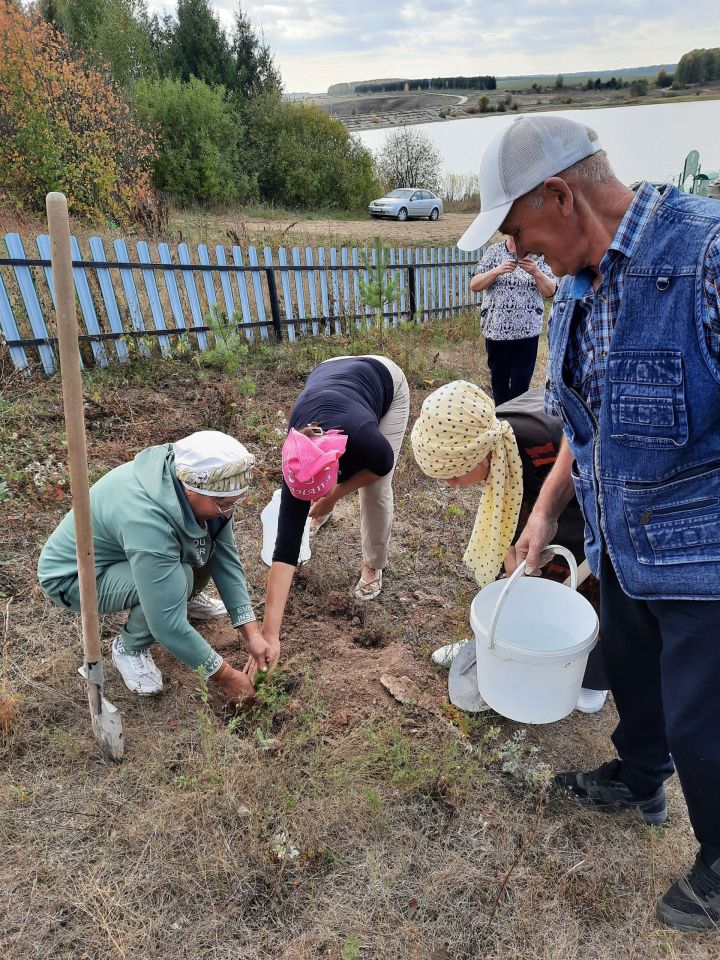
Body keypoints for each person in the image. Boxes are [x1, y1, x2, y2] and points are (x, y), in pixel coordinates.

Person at [457, 113, 720, 932]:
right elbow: (582, 423)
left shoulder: (705, 258)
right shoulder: (573, 291)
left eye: (519, 230)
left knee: (704, 723)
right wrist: (543, 515)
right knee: (633, 684)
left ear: (561, 195)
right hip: (620, 548)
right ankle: (639, 778)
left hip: (703, 563)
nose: (519, 252)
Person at [410, 379, 607, 712]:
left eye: (454, 476)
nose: (451, 486)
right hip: (542, 496)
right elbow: (508, 506)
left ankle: (592, 675)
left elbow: (593, 479)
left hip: (592, 499)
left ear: (480, 457)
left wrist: (556, 524)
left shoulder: (542, 442)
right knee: (522, 567)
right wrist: (510, 545)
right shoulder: (492, 440)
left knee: (588, 583)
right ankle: (499, 645)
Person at [38, 431, 272, 706]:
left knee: (203, 545)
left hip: (129, 555)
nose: (228, 511)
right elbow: (167, 625)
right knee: (177, 580)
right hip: (76, 578)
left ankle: (182, 596)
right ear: (191, 490)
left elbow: (225, 556)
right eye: (223, 504)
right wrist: (226, 676)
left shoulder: (189, 477)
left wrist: (251, 633)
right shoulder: (147, 521)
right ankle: (129, 647)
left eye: (234, 503)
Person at [261, 354, 409, 665]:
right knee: (315, 496)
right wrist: (269, 634)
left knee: (375, 491)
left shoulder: (365, 438)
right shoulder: (295, 456)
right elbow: (285, 548)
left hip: (384, 379)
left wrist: (335, 495)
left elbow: (382, 466)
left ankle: (373, 564)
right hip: (331, 368)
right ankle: (321, 504)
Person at [470, 234, 556, 405]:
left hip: (527, 332)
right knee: (499, 382)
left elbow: (551, 291)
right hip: (497, 332)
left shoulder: (538, 254)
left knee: (521, 383)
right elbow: (474, 285)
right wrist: (497, 271)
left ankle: (516, 426)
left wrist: (536, 272)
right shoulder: (494, 251)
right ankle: (501, 423)